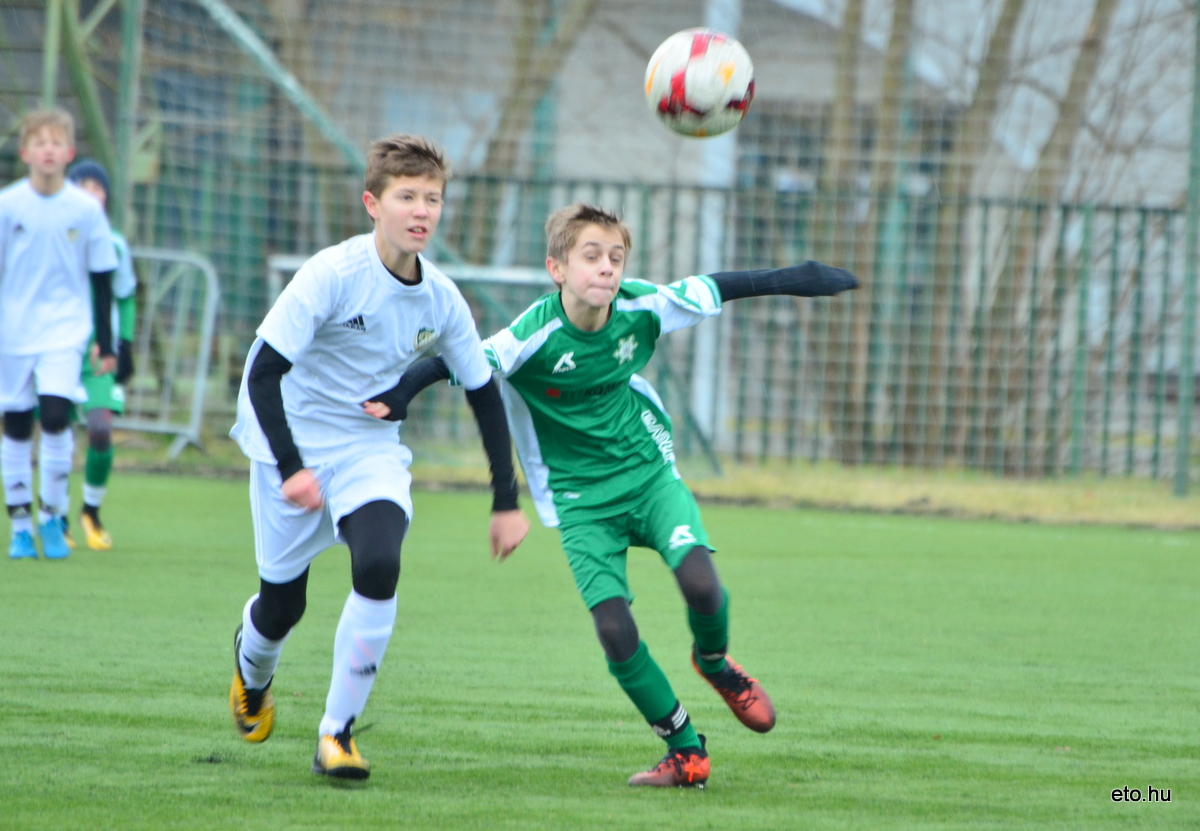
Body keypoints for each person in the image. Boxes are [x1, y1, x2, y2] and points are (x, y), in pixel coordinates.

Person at [370, 203, 856, 787]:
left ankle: (715, 663)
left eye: (616, 257)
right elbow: (458, 362)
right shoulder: (533, 334)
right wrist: (400, 394)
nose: (607, 269)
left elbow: (724, 287)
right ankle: (684, 749)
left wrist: (803, 277)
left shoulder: (640, 304)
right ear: (557, 267)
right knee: (613, 628)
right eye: (592, 256)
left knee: (701, 583)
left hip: (647, 471)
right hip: (579, 498)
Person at [226, 134, 530, 781]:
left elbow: (483, 393)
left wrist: (506, 500)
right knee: (281, 607)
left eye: (434, 198)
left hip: (368, 449)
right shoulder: (333, 274)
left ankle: (337, 733)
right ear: (373, 202)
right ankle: (252, 672)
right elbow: (261, 375)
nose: (422, 210)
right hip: (289, 442)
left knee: (380, 559)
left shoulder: (443, 299)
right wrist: (291, 468)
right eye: (407, 196)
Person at [0, 109, 117, 561]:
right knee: (15, 425)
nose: (47, 150)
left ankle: (52, 516)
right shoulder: (9, 205)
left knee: (53, 416)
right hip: (14, 330)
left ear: (68, 153)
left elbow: (102, 275)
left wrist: (105, 342)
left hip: (66, 329)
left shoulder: (85, 210)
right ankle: (20, 525)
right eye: (39, 143)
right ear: (25, 152)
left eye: (56, 143)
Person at [64, 158, 138, 550]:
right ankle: (53, 515)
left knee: (99, 427)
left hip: (98, 354)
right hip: (58, 346)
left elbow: (125, 298)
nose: (92, 193)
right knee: (52, 427)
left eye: (99, 186)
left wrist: (121, 345)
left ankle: (90, 512)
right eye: (83, 185)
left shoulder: (114, 245)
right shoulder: (57, 238)